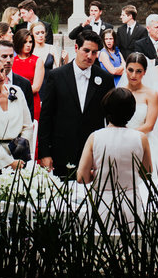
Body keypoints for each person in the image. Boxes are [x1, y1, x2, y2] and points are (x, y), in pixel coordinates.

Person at [37, 29, 113, 178]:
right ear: (76, 48)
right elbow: (46, 116)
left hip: (93, 153)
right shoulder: (56, 76)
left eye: (94, 52)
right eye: (86, 51)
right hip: (62, 150)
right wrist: (45, 154)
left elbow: (110, 117)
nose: (90, 56)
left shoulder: (105, 79)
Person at [76, 88, 152, 229]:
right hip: (131, 201)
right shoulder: (140, 138)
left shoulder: (95, 138)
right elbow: (147, 174)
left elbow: (82, 177)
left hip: (102, 203)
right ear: (132, 112)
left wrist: (97, 175)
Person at [11, 29, 44, 118]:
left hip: (31, 101)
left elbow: (36, 87)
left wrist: (16, 93)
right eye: (25, 42)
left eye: (30, 42)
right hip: (13, 101)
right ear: (18, 42)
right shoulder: (12, 60)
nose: (28, 45)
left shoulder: (37, 61)